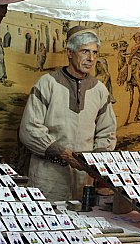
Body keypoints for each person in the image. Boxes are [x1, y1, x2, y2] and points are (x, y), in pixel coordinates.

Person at [19, 26, 117, 201]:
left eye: (95, 53)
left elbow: (107, 131)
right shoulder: (48, 83)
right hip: (49, 175)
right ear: (70, 52)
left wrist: (96, 161)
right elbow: (29, 129)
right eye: (85, 52)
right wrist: (63, 153)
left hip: (83, 179)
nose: (91, 59)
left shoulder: (100, 90)